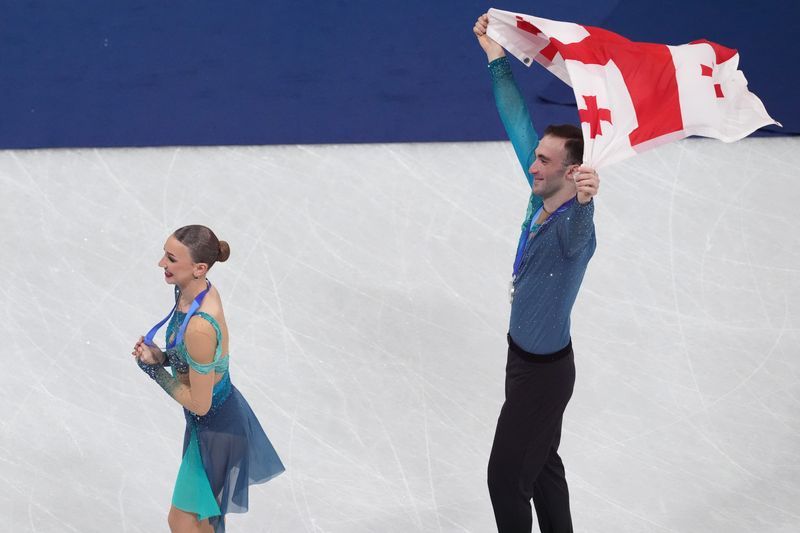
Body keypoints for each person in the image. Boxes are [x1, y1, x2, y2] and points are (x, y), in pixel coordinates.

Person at [473, 14, 600, 533]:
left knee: (505, 480)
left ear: (573, 172)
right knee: (543, 467)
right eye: (537, 158)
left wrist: (590, 200)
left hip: (544, 376)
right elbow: (517, 121)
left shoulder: (574, 230)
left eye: (545, 161)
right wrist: (495, 56)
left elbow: (583, 228)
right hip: (522, 359)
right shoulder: (540, 195)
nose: (534, 165)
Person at [132, 225, 284, 533]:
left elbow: (201, 404)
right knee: (201, 521)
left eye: (171, 259)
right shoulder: (192, 291)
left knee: (183, 521)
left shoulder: (200, 326)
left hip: (217, 430)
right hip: (207, 428)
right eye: (165, 254)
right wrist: (161, 356)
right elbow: (189, 362)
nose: (162, 263)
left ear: (200, 268)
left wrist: (154, 370)